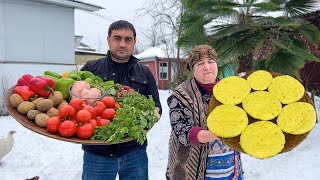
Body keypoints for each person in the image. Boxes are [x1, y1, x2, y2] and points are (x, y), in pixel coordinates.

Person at [80, 20, 162, 180]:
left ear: (134, 42)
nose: (122, 44)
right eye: (117, 38)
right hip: (98, 153)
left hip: (134, 152)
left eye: (128, 39)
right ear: (108, 39)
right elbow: (74, 102)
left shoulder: (145, 73)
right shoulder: (91, 68)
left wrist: (152, 114)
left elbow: (156, 105)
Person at [166, 44, 243, 180]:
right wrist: (219, 134)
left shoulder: (229, 90)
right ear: (192, 68)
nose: (207, 67)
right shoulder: (181, 95)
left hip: (230, 169)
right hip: (194, 170)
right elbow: (182, 132)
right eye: (200, 63)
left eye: (211, 62)